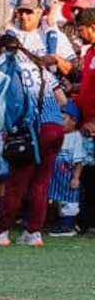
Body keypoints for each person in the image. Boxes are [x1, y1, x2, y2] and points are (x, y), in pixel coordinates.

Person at [0, 35, 66, 247]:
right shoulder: (39, 65)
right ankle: (33, 232)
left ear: (3, 48)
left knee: (16, 184)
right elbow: (62, 100)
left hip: (31, 129)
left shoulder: (7, 60)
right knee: (40, 184)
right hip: (56, 126)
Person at [8, 0, 74, 78]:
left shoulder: (53, 35)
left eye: (28, 11)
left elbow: (75, 72)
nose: (23, 16)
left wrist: (56, 60)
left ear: (40, 12)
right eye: (20, 12)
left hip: (50, 88)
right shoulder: (10, 34)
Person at [46, 102, 87, 238]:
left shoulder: (76, 137)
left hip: (68, 177)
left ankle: (68, 226)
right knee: (55, 200)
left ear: (74, 121)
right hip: (55, 176)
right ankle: (58, 223)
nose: (60, 122)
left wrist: (76, 177)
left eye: (63, 119)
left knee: (69, 202)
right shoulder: (58, 134)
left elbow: (78, 161)